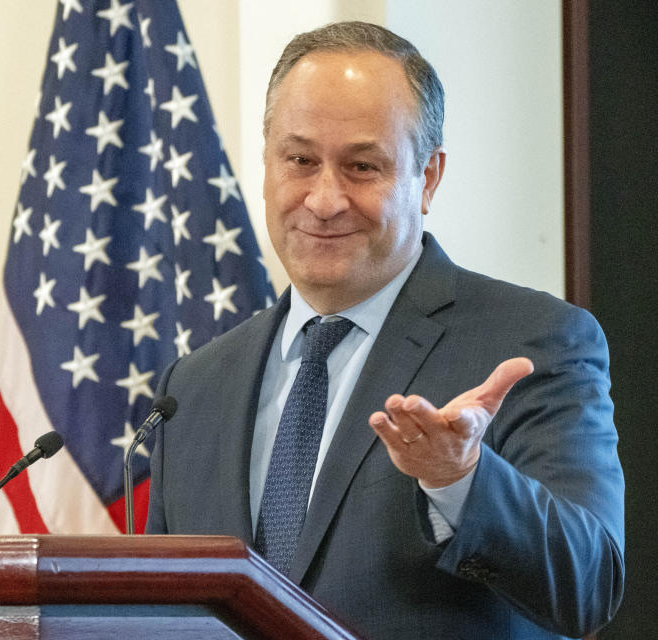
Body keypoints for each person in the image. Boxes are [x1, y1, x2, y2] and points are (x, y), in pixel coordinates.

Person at [146, 21, 624, 640]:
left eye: (362, 167)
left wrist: (460, 479)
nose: (323, 199)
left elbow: (589, 587)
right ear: (266, 164)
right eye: (300, 160)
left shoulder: (534, 341)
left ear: (427, 179)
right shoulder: (195, 385)